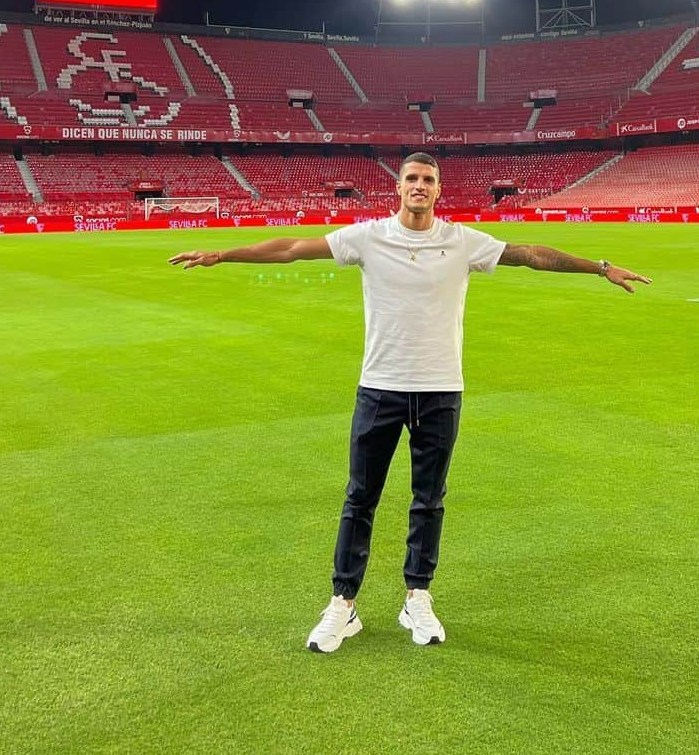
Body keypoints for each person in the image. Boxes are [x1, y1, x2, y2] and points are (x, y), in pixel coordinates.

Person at [169, 151, 651, 653]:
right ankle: (343, 603)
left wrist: (600, 268)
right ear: (397, 188)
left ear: (439, 190)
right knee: (360, 498)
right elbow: (292, 247)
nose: (419, 186)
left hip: (441, 390)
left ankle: (416, 596)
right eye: (411, 179)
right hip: (380, 386)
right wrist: (222, 254)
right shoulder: (369, 236)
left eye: (428, 180)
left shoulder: (463, 241)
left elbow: (531, 254)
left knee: (429, 500)